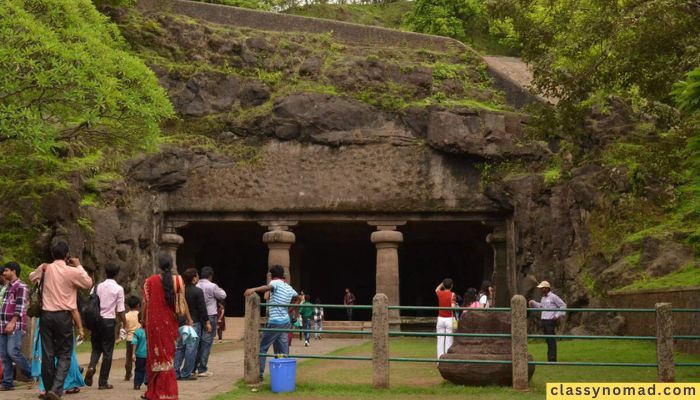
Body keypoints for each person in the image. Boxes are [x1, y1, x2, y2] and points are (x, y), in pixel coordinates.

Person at [29, 242, 92, 400]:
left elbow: (31, 277)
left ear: (52, 254)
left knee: (48, 354)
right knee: (64, 354)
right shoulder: (71, 271)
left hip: (46, 316)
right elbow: (88, 283)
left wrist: (42, 270)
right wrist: (78, 266)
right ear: (66, 255)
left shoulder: (45, 268)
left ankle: (49, 389)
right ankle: (56, 389)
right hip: (63, 316)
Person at [244, 265, 297, 382]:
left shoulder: (275, 283)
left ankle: (260, 374)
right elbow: (297, 297)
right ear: (283, 275)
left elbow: (267, 287)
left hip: (275, 321)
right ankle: (284, 376)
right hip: (285, 322)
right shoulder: (288, 287)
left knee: (262, 348)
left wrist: (253, 289)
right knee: (282, 351)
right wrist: (289, 308)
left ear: (271, 276)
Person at [142, 253, 180, 400]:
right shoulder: (177, 281)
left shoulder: (149, 281)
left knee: (155, 356)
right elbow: (180, 303)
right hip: (170, 323)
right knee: (168, 355)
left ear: (159, 265)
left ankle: (154, 391)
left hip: (154, 324)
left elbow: (145, 302)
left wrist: (143, 319)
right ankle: (168, 392)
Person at [85, 263, 127, 390]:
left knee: (96, 348)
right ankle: (103, 382)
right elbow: (120, 310)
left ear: (105, 272)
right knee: (108, 353)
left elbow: (90, 303)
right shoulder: (118, 289)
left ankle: (91, 367)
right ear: (117, 274)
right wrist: (125, 323)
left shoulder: (97, 287)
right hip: (108, 322)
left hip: (96, 321)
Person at [31, 309, 85, 397]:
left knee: (46, 354)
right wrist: (80, 327)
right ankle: (68, 384)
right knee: (65, 354)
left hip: (45, 317)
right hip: (63, 318)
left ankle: (45, 388)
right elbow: (73, 307)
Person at [0, 262, 32, 391]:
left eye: (6, 270)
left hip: (15, 325)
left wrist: (12, 322)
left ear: (13, 271)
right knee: (4, 355)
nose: (4, 273)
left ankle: (32, 374)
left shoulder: (21, 286)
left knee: (13, 352)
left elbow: (20, 307)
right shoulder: (7, 287)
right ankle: (8, 383)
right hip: (2, 325)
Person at [174, 268, 209, 381]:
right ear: (194, 278)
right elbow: (202, 309)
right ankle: (186, 373)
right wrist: (207, 321)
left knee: (180, 347)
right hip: (193, 322)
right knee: (190, 348)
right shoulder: (198, 291)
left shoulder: (181, 290)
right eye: (197, 276)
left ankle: (175, 371)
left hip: (181, 322)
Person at [195, 266, 226, 378]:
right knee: (207, 342)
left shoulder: (196, 285)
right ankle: (202, 368)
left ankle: (193, 367)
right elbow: (223, 295)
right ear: (210, 276)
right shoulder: (212, 286)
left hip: (198, 316)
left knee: (197, 342)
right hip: (210, 315)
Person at [528, 281, 567, 362]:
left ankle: (552, 358)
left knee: (551, 339)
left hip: (550, 321)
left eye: (542, 288)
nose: (541, 290)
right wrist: (534, 303)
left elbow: (563, 305)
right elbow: (542, 307)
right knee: (548, 340)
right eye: (541, 288)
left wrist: (556, 315)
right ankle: (550, 357)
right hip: (544, 320)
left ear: (547, 288)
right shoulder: (543, 298)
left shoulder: (553, 297)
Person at [435, 278, 457, 359]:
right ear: (451, 286)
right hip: (449, 319)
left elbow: (436, 289)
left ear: (443, 285)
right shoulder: (452, 294)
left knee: (440, 340)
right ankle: (447, 359)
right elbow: (453, 307)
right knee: (449, 340)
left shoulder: (440, 293)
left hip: (440, 318)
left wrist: (441, 284)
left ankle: (439, 360)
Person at [124, 295, 141, 382]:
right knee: (140, 356)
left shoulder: (126, 316)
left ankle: (128, 374)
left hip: (130, 338)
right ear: (138, 305)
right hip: (139, 339)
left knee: (129, 357)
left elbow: (125, 328)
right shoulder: (140, 315)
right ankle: (139, 372)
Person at [131, 314, 147, 391]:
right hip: (140, 355)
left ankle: (148, 383)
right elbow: (134, 343)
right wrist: (133, 354)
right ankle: (137, 384)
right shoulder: (138, 332)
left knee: (148, 370)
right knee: (139, 370)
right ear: (140, 321)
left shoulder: (152, 331)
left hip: (149, 356)